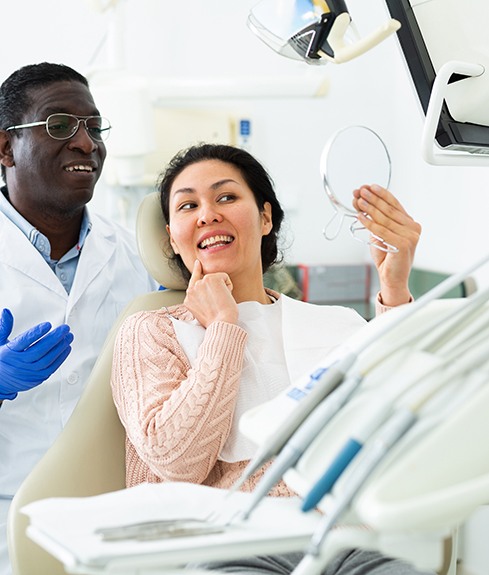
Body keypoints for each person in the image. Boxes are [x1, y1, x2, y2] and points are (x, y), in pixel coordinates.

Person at [111, 143, 427, 575]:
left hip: (346, 541)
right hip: (223, 544)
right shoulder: (151, 331)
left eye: (226, 197)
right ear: (172, 236)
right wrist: (223, 328)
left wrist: (394, 290)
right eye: (188, 205)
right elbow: (177, 461)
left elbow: (405, 427)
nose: (207, 214)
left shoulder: (334, 324)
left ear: (265, 218)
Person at [0, 62, 157, 574]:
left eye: (93, 126)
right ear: (5, 149)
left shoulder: (134, 257)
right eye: (60, 125)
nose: (87, 143)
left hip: (110, 515)